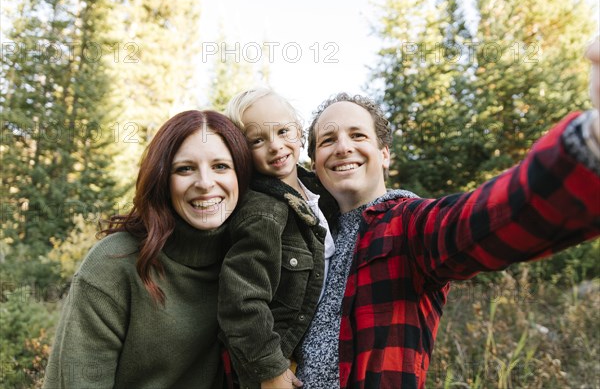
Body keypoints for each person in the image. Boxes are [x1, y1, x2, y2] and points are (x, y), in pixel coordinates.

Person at [294, 38, 600, 389]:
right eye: (328, 140)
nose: (343, 147)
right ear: (314, 163)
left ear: (384, 155)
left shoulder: (409, 224)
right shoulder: (306, 237)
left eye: (358, 135)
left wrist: (588, 145)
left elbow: (489, 218)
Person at [43, 110, 252, 389]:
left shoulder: (250, 258)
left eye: (221, 166)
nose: (204, 183)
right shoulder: (112, 264)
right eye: (185, 168)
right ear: (162, 179)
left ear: (242, 174)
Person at [218, 87, 337, 389]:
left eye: (283, 131)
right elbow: (241, 301)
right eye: (257, 140)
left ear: (298, 130)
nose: (275, 146)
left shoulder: (319, 189)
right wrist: (271, 371)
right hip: (278, 366)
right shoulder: (262, 211)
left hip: (318, 357)